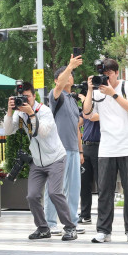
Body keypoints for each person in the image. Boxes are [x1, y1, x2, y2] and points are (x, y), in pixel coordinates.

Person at [3, 85, 77, 242]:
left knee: (54, 193)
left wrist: (31, 114)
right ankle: (43, 228)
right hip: (37, 161)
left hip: (55, 158)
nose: (25, 100)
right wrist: (10, 112)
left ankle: (70, 227)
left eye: (28, 97)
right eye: (21, 97)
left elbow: (41, 132)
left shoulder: (44, 111)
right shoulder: (19, 113)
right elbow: (8, 131)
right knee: (32, 196)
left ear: (34, 96)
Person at [82, 58, 128, 244]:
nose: (106, 78)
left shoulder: (127, 86)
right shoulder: (98, 91)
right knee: (104, 191)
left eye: (108, 74)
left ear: (116, 72)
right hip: (106, 147)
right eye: (103, 74)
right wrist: (91, 89)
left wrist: (113, 93)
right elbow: (87, 114)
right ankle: (103, 231)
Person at [45, 56, 84, 234]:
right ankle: (50, 223)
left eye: (71, 74)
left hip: (74, 149)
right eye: (66, 75)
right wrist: (69, 66)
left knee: (74, 189)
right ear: (57, 80)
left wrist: (80, 150)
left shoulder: (72, 100)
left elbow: (77, 127)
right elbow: (59, 85)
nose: (70, 77)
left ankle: (72, 222)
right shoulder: (56, 96)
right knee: (55, 188)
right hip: (58, 151)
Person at [79, 109, 100, 224]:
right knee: (84, 183)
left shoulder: (101, 104)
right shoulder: (85, 108)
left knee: (101, 183)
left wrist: (84, 101)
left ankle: (103, 215)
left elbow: (92, 116)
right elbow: (77, 122)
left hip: (100, 147)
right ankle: (85, 215)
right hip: (85, 146)